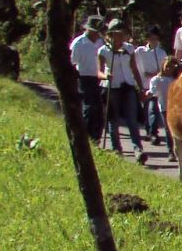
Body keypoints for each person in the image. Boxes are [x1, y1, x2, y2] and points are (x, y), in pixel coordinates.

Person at [100, 20, 148, 161]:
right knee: (113, 120)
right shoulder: (103, 51)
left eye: (122, 35)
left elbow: (134, 69)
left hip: (128, 87)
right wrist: (105, 76)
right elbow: (99, 70)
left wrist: (140, 88)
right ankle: (117, 149)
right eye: (117, 35)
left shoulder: (129, 49)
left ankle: (138, 149)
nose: (120, 38)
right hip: (112, 87)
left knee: (132, 120)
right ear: (111, 35)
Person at [68, 15, 108, 141]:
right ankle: (86, 136)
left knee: (99, 111)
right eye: (95, 31)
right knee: (89, 108)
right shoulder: (79, 43)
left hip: (98, 78)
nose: (97, 34)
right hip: (84, 78)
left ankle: (96, 137)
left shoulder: (101, 42)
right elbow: (73, 63)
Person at [134, 27, 170, 145]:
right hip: (143, 84)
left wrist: (154, 74)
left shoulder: (161, 52)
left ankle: (154, 133)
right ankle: (149, 130)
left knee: (153, 108)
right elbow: (134, 65)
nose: (154, 41)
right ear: (147, 39)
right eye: (151, 38)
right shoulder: (140, 51)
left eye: (156, 38)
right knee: (146, 109)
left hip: (156, 85)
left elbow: (164, 68)